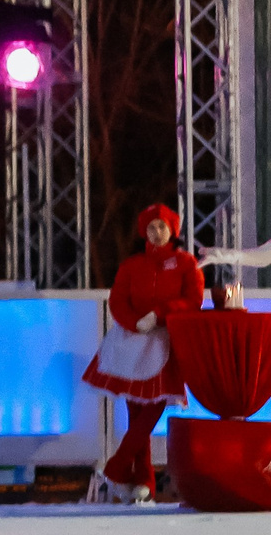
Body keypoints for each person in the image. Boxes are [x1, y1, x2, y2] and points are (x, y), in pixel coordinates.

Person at [86, 204, 203, 505]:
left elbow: (193, 299)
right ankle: (143, 480)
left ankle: (117, 467)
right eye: (151, 227)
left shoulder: (185, 263)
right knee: (136, 409)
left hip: (165, 341)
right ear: (144, 232)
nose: (157, 232)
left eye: (162, 226)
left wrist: (160, 315)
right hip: (130, 341)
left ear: (173, 230)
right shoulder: (132, 265)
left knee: (152, 409)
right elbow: (117, 300)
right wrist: (134, 322)